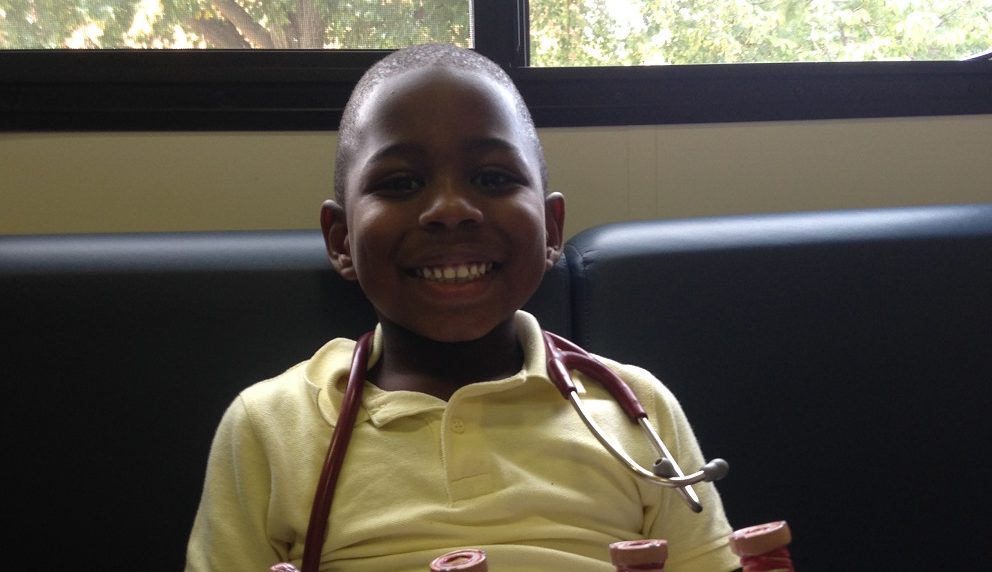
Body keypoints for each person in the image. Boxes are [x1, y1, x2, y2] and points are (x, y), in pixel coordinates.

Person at [186, 43, 739, 572]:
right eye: (400, 183)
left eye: (493, 178)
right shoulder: (269, 426)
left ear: (550, 229)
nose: (450, 210)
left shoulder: (637, 410)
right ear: (341, 240)